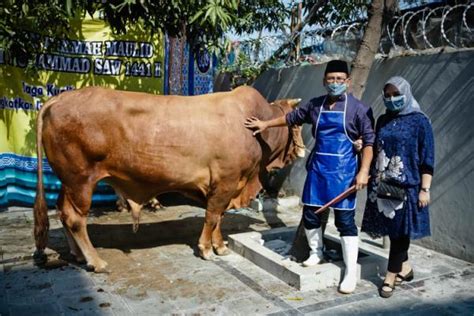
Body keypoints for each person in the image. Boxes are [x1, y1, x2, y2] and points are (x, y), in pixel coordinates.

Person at [245, 60, 375, 294]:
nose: (334, 83)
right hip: (318, 170)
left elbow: (369, 143)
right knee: (311, 215)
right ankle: (317, 252)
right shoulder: (315, 105)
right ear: (324, 81)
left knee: (345, 222)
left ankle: (349, 272)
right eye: (330, 79)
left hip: (345, 173)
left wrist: (363, 171)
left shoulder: (359, 109)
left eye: (339, 79)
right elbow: (291, 118)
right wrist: (266, 123)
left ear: (347, 82)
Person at [360, 76, 435, 298]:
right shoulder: (382, 120)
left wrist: (425, 189)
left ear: (407, 93)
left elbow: (427, 157)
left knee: (401, 233)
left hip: (408, 186)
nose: (392, 99)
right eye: (388, 95)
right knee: (392, 233)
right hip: (382, 185)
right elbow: (375, 146)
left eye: (396, 94)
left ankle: (390, 276)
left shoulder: (420, 121)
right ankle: (405, 268)